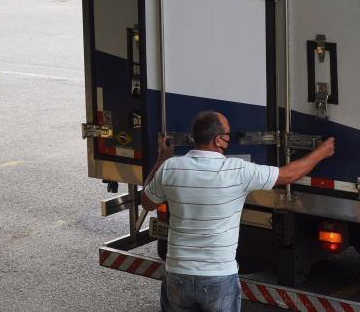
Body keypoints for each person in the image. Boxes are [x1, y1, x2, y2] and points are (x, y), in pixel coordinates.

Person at [141, 111, 335, 312]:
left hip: (176, 274)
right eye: (228, 133)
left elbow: (147, 202)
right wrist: (321, 152)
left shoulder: (170, 167)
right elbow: (288, 175)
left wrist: (161, 160)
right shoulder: (237, 171)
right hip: (218, 276)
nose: (229, 136)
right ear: (218, 140)